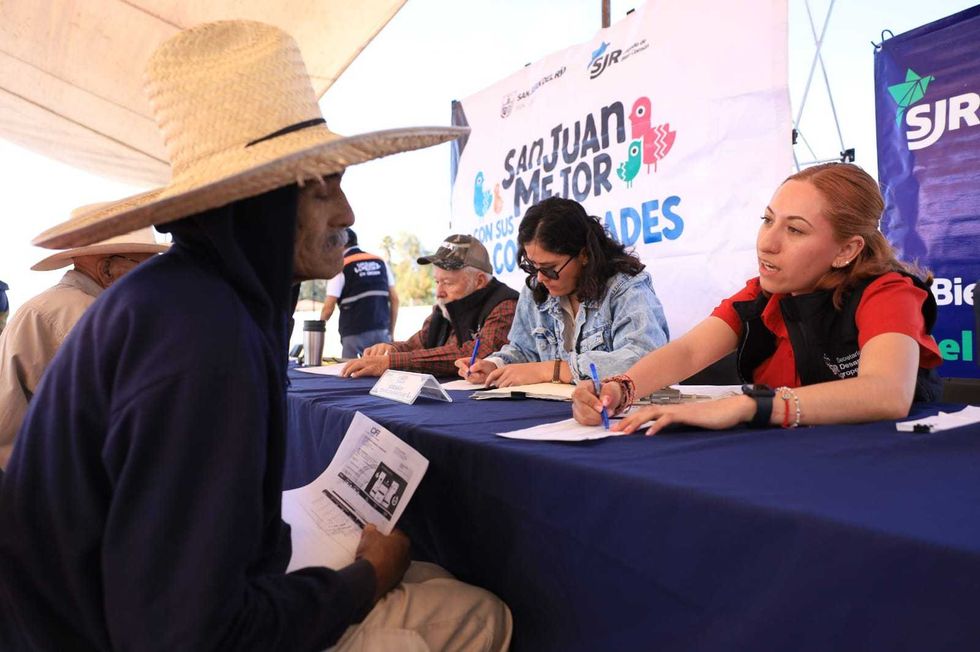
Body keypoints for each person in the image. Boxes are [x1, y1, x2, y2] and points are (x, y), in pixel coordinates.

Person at [0, 21, 510, 652]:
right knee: (475, 615)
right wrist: (361, 580)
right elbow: (191, 636)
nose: (346, 214)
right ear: (261, 202)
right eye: (323, 185)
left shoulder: (179, 300)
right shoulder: (204, 343)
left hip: (77, 615)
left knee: (431, 582)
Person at [572, 163, 943, 435]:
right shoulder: (762, 295)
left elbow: (887, 393)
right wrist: (619, 388)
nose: (767, 242)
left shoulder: (888, 291)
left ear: (846, 250)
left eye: (795, 230)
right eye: (768, 220)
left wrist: (750, 407)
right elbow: (688, 353)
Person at [456, 196, 669, 387]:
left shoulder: (625, 288)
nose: (540, 277)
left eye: (550, 268)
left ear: (584, 254)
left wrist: (553, 370)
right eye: (532, 267)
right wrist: (494, 365)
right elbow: (523, 350)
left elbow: (645, 359)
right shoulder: (535, 290)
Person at [0, 227, 166, 468]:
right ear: (106, 269)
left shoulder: (50, 306)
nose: (152, 278)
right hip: (49, 479)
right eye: (143, 266)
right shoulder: (89, 317)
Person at [342, 234, 518, 378]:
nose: (439, 292)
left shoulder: (504, 305)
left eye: (447, 283)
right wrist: (390, 349)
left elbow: (477, 353)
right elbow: (417, 344)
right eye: (437, 282)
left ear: (479, 281)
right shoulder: (445, 309)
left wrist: (390, 362)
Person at [320, 228, 399, 358]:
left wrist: (317, 328)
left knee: (352, 373)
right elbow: (395, 299)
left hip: (353, 334)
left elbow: (328, 307)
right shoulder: (380, 261)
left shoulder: (341, 265)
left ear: (341, 244)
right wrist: (391, 332)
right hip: (381, 330)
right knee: (381, 374)